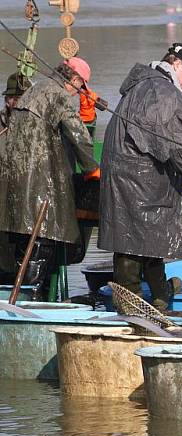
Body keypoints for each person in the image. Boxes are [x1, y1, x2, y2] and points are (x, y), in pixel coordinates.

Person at [98, 43, 182, 310]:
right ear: (177, 65)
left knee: (138, 238)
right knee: (134, 242)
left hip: (123, 173)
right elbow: (175, 141)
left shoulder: (143, 84)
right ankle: (133, 307)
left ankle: (159, 296)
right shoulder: (161, 89)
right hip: (140, 178)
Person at [0, 61, 98, 301]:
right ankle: (32, 296)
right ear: (74, 80)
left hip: (15, 182)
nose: (79, 91)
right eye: (81, 86)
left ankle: (26, 294)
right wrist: (92, 168)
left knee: (26, 243)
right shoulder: (58, 94)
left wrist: (87, 114)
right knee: (44, 240)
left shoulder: (36, 89)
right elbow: (77, 135)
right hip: (40, 180)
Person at [0, 72, 32, 281]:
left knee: (24, 247)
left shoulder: (36, 125)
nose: (14, 101)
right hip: (3, 195)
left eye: (19, 97)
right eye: (11, 97)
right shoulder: (2, 123)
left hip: (26, 197)